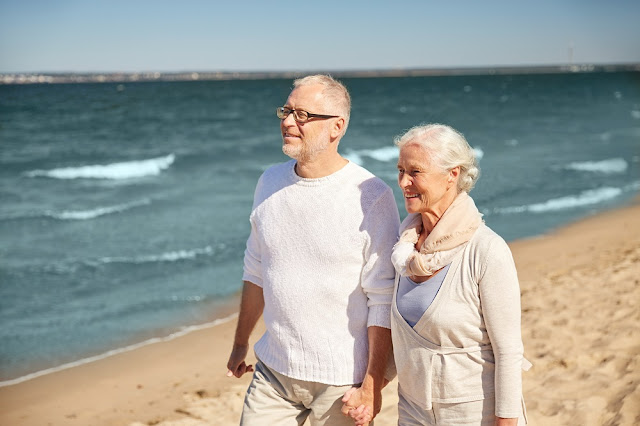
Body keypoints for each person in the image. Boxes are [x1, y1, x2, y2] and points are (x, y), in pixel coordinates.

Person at [226, 74, 400, 426]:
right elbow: (256, 271)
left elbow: (382, 298)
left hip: (342, 380)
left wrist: (372, 384)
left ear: (336, 126)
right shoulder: (269, 182)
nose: (288, 122)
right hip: (273, 370)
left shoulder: (371, 195)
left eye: (302, 114)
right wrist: (241, 342)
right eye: (287, 111)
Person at [350, 123, 530, 425]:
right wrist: (371, 388)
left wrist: (507, 420)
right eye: (400, 170)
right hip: (412, 410)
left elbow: (508, 351)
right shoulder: (404, 249)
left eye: (415, 172)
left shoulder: (486, 251)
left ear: (452, 175)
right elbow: (408, 339)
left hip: (473, 412)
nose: (403, 182)